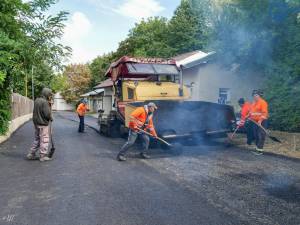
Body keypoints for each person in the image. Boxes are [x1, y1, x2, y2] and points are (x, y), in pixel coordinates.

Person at [27, 88, 53, 162]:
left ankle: (31, 154)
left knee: (37, 139)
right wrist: (51, 118)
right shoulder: (45, 102)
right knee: (44, 139)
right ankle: (43, 155)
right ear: (46, 94)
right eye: (49, 94)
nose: (50, 96)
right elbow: (47, 114)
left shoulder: (37, 100)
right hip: (43, 124)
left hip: (36, 123)